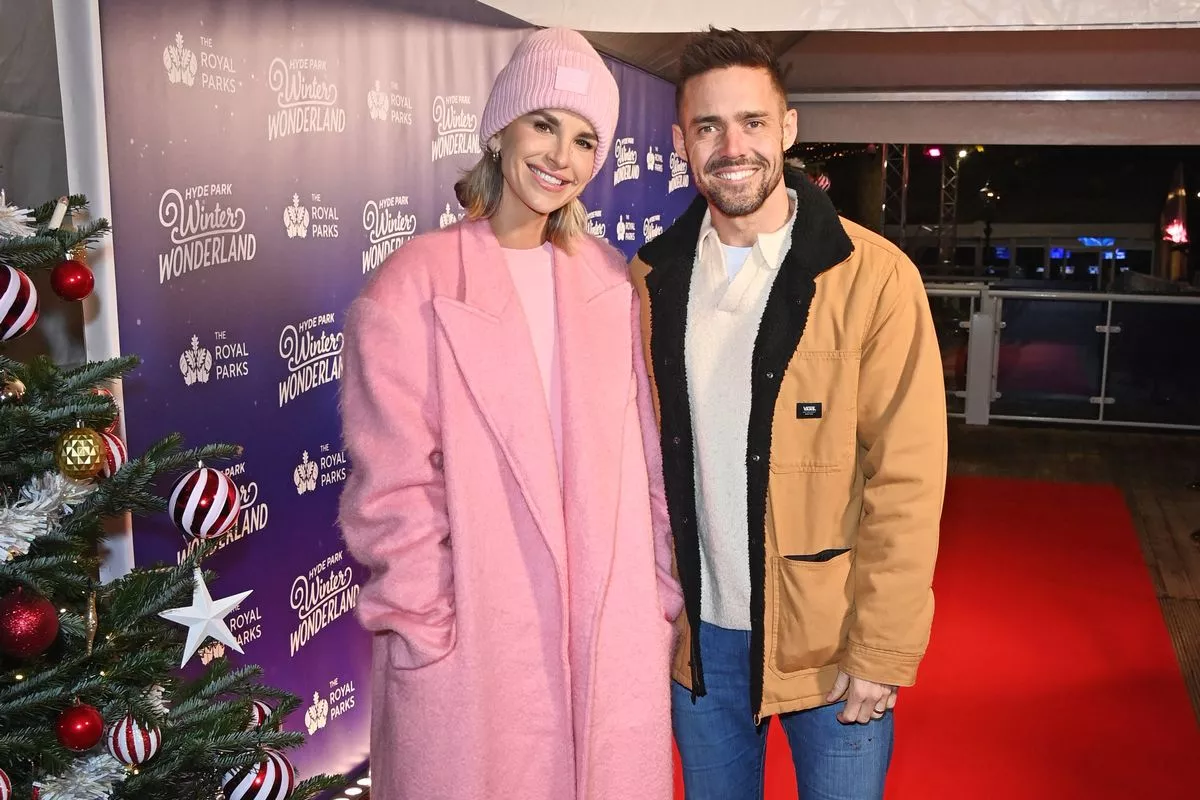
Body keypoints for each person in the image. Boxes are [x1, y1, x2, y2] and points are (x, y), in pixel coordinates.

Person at [338, 27, 682, 800]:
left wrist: (658, 594)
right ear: (500, 129)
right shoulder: (412, 282)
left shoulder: (608, 280)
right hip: (476, 653)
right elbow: (390, 487)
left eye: (586, 139)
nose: (562, 155)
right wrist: (427, 624)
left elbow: (647, 455)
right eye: (545, 124)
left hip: (608, 636)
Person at [629, 27, 947, 800]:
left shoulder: (872, 278)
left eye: (753, 122)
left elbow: (905, 480)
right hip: (698, 647)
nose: (731, 146)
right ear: (680, 142)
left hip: (830, 646)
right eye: (708, 126)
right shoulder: (647, 280)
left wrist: (882, 647)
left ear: (789, 129)